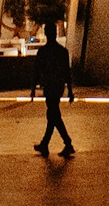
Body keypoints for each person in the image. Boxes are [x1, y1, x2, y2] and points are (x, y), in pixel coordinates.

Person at [29, 22, 76, 158]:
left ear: (45, 33)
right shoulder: (62, 51)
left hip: (49, 86)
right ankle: (50, 144)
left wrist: (33, 88)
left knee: (53, 115)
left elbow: (36, 71)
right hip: (58, 86)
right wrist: (70, 91)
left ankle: (66, 143)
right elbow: (67, 72)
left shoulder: (43, 52)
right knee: (53, 115)